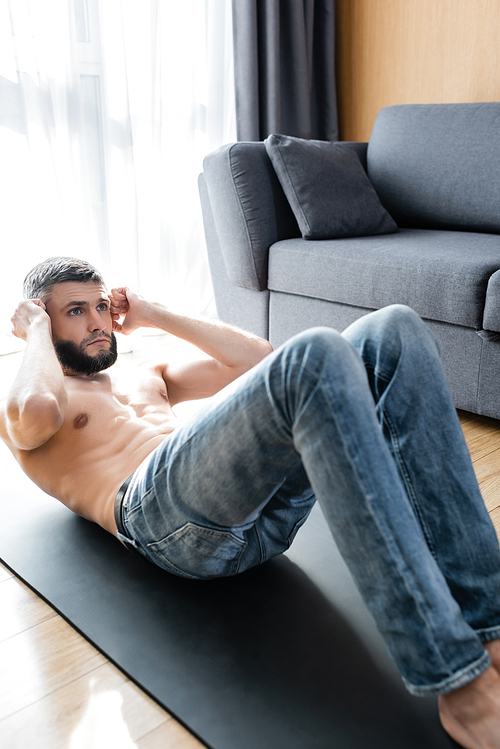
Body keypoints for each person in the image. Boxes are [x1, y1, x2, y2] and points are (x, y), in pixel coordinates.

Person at [2, 256, 500, 748]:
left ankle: (491, 629)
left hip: (251, 515)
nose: (97, 323)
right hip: (160, 522)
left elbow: (257, 359)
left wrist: (153, 314)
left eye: (100, 306)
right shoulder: (35, 395)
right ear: (42, 319)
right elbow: (37, 413)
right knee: (314, 353)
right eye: (74, 312)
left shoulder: (144, 370)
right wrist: (35, 334)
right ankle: (455, 679)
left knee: (395, 329)